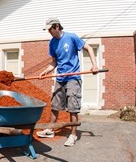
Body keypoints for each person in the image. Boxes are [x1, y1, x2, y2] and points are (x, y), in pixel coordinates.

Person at [36, 17, 98, 147]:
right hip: (60, 78)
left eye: (50, 29)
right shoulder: (52, 43)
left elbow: (89, 48)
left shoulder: (71, 37)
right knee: (54, 105)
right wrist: (45, 71)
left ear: (57, 26)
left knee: (73, 107)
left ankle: (73, 135)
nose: (49, 32)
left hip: (73, 78)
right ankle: (51, 129)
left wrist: (94, 65)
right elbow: (54, 62)